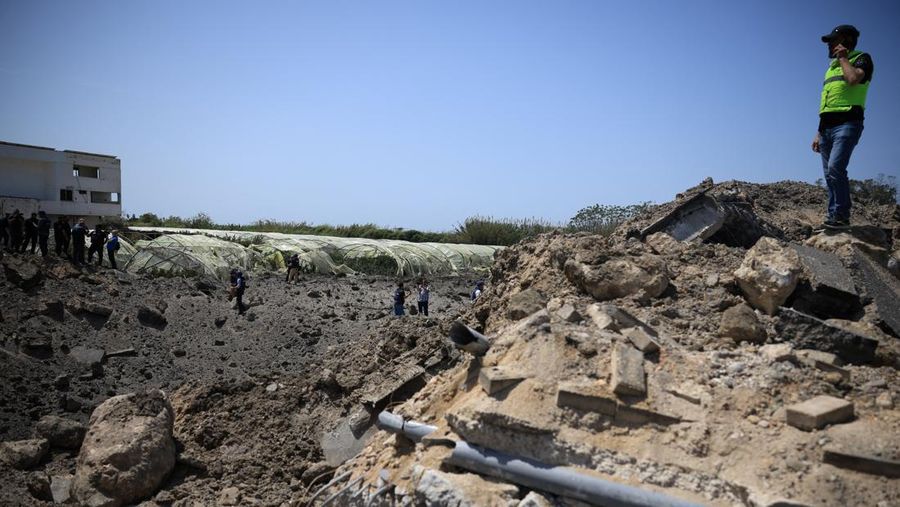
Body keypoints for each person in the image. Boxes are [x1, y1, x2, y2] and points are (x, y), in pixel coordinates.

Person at [812, 25, 874, 229]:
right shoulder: (830, 68)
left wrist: (844, 58)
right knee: (829, 174)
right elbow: (827, 102)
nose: (829, 45)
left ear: (846, 41)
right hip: (827, 128)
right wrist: (818, 132)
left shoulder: (862, 58)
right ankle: (833, 217)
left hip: (848, 123)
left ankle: (841, 215)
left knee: (835, 168)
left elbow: (853, 79)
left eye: (832, 40)